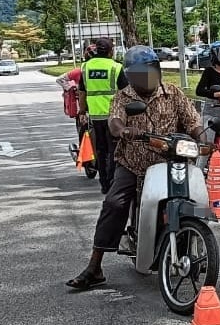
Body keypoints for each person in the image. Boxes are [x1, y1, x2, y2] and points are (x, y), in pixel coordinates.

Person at [67, 46, 205, 290]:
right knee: (114, 203)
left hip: (170, 162)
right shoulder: (123, 96)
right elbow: (115, 121)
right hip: (133, 163)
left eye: (151, 70)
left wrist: (201, 138)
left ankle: (194, 246)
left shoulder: (172, 92)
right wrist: (123, 130)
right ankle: (95, 266)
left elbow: (192, 120)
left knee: (194, 197)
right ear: (130, 76)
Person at [76, 38, 129, 194]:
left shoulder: (86, 67)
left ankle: (104, 183)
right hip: (114, 117)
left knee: (100, 149)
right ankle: (112, 182)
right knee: (113, 150)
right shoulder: (116, 67)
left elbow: (82, 91)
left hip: (95, 116)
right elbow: (126, 93)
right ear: (111, 51)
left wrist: (82, 110)